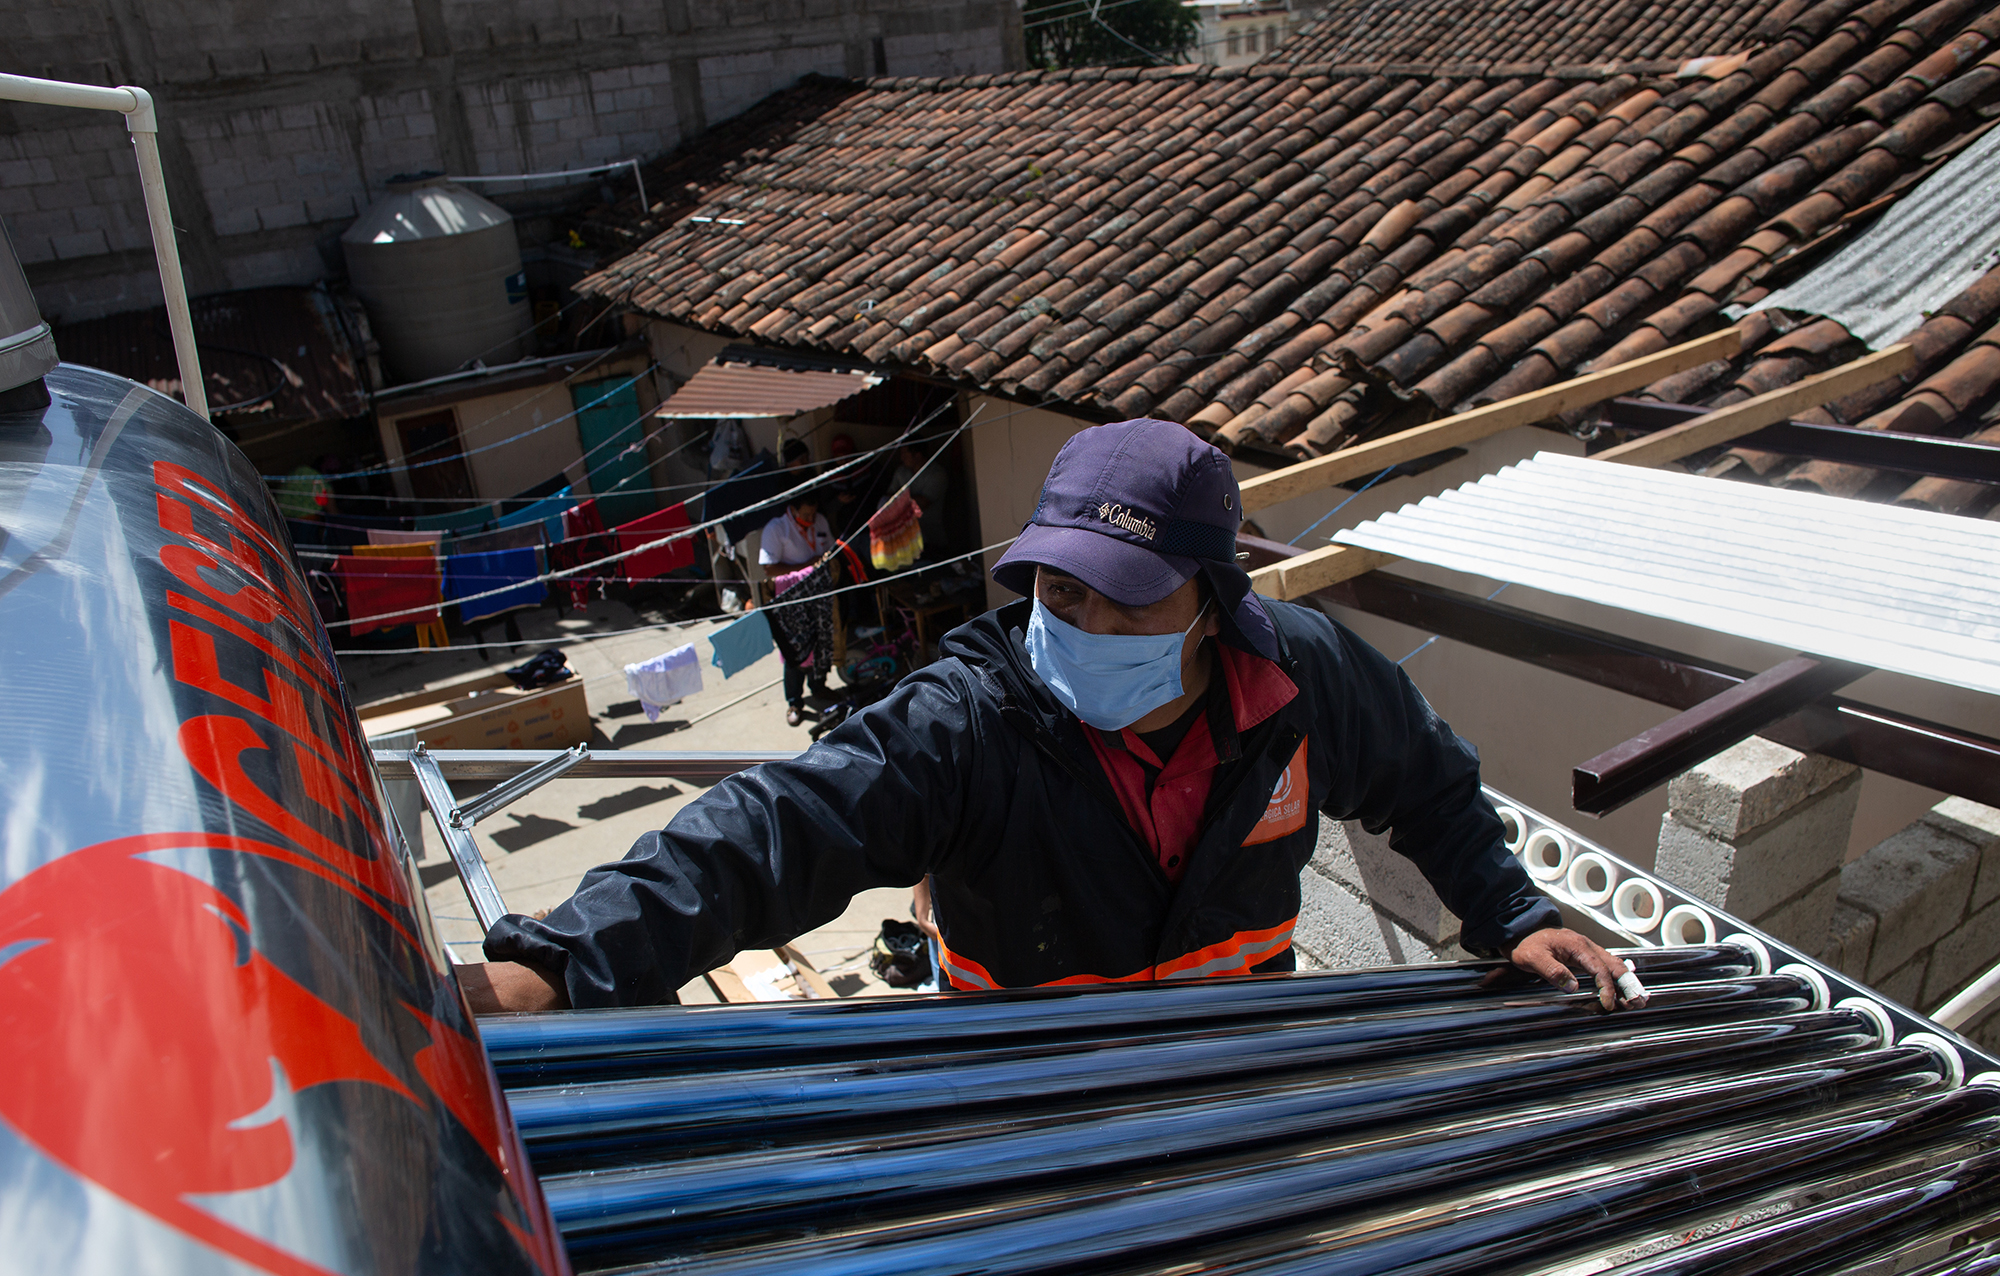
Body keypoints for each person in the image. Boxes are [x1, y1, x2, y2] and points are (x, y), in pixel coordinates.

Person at [460, 421, 1638, 1014]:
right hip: (1028, 1085)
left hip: (1238, 1072)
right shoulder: (967, 723)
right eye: (1057, 588)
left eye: (1122, 599)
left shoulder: (1299, 683)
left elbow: (1426, 781)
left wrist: (1507, 909)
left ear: (1209, 600)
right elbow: (767, 833)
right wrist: (562, 965)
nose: (1077, 621)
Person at [759, 492, 836, 726]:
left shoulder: (820, 521)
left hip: (818, 597)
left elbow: (831, 550)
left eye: (813, 513)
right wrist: (809, 568)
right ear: (793, 510)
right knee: (794, 650)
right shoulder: (776, 529)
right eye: (805, 515)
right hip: (792, 601)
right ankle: (794, 701)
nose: (811, 519)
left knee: (820, 641)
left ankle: (819, 686)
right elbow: (769, 569)